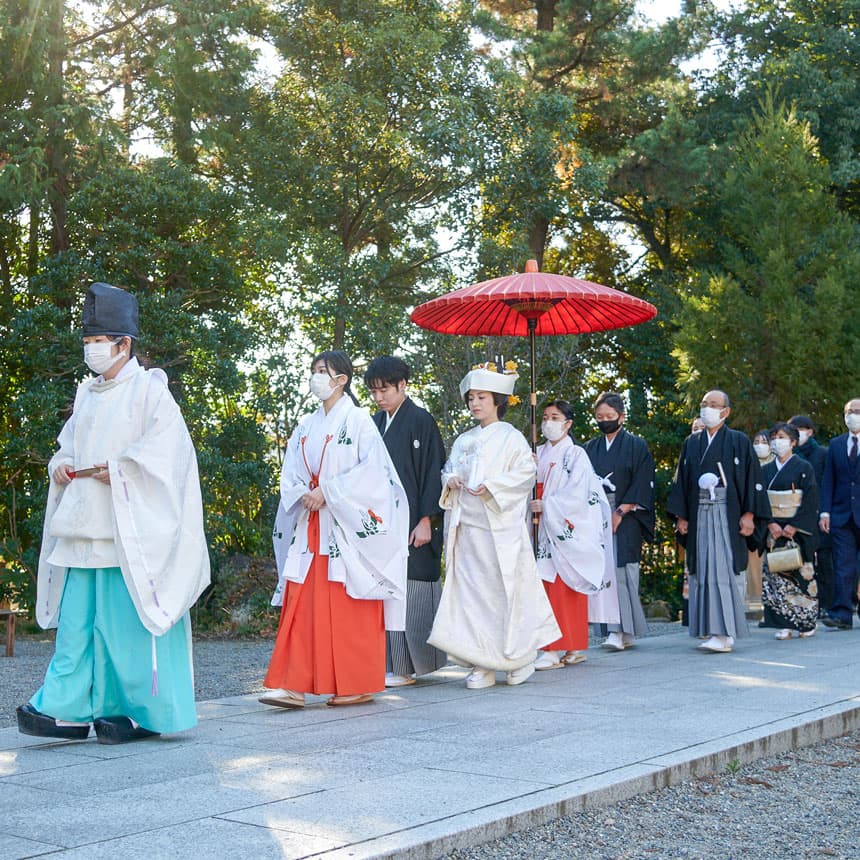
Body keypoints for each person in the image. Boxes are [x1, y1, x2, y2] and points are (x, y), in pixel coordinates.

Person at [17, 282, 210, 744]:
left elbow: (171, 457)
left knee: (126, 626)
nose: (91, 351)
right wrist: (60, 464)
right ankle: (66, 707)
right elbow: (68, 445)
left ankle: (143, 712)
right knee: (79, 623)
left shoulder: (151, 392)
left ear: (124, 343)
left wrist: (122, 470)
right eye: (87, 343)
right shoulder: (87, 394)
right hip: (85, 525)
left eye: (98, 342)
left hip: (130, 530)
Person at [262, 351, 409, 708]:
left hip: (345, 526)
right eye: (313, 371)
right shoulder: (305, 425)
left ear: (341, 379)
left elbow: (374, 474)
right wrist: (303, 493)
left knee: (349, 606)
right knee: (301, 604)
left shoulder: (359, 420)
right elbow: (291, 471)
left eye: (322, 371)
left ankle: (356, 683)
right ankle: (294, 684)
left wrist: (328, 491)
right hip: (311, 524)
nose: (316, 377)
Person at [427, 362, 560, 689]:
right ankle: (482, 662)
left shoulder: (512, 438)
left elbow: (526, 474)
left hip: (500, 531)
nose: (475, 403)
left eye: (482, 397)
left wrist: (494, 486)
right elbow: (448, 469)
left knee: (506, 593)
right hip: (468, 530)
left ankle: (519, 657)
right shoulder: (463, 439)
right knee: (473, 596)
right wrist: (451, 479)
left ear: (497, 400)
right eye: (471, 397)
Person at [363, 356, 447, 687]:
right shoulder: (373, 423)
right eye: (374, 391)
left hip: (414, 519)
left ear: (402, 385)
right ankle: (389, 664)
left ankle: (409, 667)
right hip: (382, 522)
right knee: (386, 588)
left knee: (412, 587)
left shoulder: (420, 420)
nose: (379, 397)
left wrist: (426, 518)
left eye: (385, 390)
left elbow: (433, 471)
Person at [667, 390, 770, 653]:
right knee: (702, 568)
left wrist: (748, 515)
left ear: (726, 411)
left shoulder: (738, 441)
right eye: (704, 404)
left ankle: (726, 633)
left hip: (727, 512)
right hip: (699, 511)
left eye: (714, 405)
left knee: (725, 569)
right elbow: (682, 481)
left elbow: (751, 479)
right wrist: (682, 515)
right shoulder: (692, 443)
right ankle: (710, 628)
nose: (708, 409)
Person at [531, 400, 614, 670]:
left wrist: (548, 506)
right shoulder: (536, 452)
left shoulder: (575, 454)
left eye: (555, 417)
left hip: (561, 521)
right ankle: (560, 646)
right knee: (545, 585)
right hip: (538, 522)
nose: (548, 423)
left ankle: (561, 648)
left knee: (564, 584)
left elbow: (579, 494)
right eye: (545, 417)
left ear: (568, 423)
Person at [584, 392, 655, 651]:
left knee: (624, 572)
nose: (604, 421)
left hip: (627, 513)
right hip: (597, 513)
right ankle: (611, 629)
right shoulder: (590, 448)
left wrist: (621, 511)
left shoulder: (637, 446)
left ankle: (625, 630)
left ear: (622, 417)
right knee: (602, 572)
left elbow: (643, 481)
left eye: (610, 417)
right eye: (600, 417)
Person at [760, 422, 819, 639]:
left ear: (793, 442)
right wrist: (770, 523)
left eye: (782, 437)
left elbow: (811, 499)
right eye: (774, 437)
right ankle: (782, 623)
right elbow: (760, 500)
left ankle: (805, 622)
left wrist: (794, 525)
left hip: (797, 528)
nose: (777, 441)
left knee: (803, 574)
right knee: (775, 577)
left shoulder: (804, 467)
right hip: (774, 529)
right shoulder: (765, 470)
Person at [818, 397, 860, 630]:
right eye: (849, 411)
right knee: (843, 564)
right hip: (841, 514)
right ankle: (842, 613)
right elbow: (828, 480)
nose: (853, 415)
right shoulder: (835, 444)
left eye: (857, 411)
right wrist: (825, 511)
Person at [789, 415, 833, 616]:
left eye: (801, 428)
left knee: (824, 561)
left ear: (810, 431)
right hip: (795, 516)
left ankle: (828, 604)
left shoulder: (823, 454)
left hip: (820, 514)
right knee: (799, 561)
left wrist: (827, 512)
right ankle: (801, 604)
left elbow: (828, 485)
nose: (798, 432)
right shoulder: (789, 456)